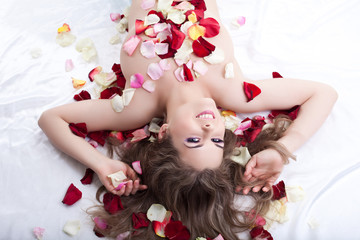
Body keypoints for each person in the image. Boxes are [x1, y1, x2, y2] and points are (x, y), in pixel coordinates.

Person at [38, 0, 337, 238]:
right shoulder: (234, 90)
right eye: (217, 139)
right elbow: (323, 94)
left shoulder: (136, 106)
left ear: (164, 133)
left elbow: (51, 119)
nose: (209, 126)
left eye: (195, 139)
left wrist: (101, 164)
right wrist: (281, 150)